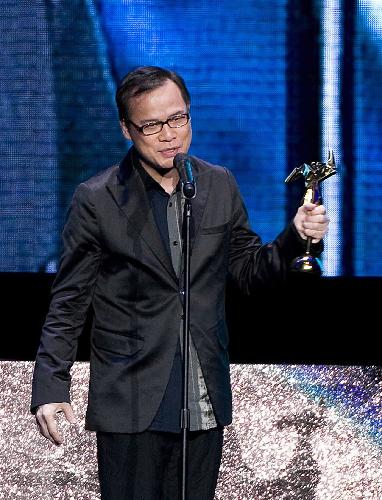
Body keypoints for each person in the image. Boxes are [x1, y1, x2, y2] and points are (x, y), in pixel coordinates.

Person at [31, 66, 329, 499]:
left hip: (201, 397)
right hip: (132, 401)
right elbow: (69, 301)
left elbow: (249, 272)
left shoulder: (219, 184)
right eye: (151, 125)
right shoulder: (97, 199)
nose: (169, 134)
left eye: (178, 119)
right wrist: (51, 385)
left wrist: (295, 238)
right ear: (127, 129)